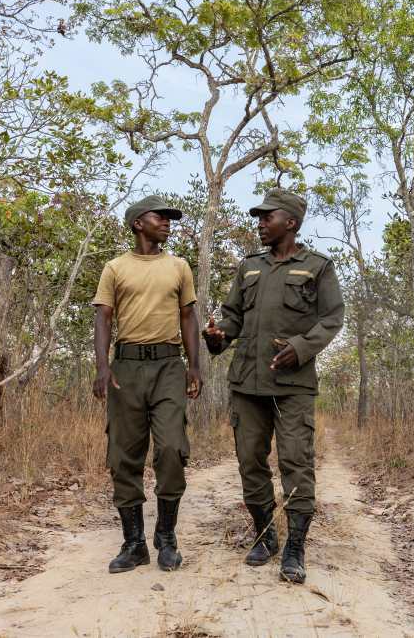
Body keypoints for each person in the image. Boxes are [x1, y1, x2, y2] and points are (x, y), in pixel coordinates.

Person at [203, 188, 344, 584]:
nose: (261, 224)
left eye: (268, 217)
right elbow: (232, 316)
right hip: (247, 382)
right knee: (250, 460)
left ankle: (296, 545)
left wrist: (301, 348)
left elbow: (332, 318)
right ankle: (265, 535)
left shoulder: (317, 267)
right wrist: (218, 335)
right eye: (259, 218)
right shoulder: (249, 267)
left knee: (296, 461)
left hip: (293, 384)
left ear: (291, 223)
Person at [93, 195, 203, 574]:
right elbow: (104, 318)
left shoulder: (178, 266)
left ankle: (166, 537)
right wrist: (103, 367)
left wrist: (194, 367)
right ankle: (134, 543)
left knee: (172, 448)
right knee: (124, 455)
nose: (168, 223)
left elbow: (188, 316)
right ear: (139, 223)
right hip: (126, 368)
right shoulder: (115, 268)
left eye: (170, 218)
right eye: (161, 217)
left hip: (168, 366)